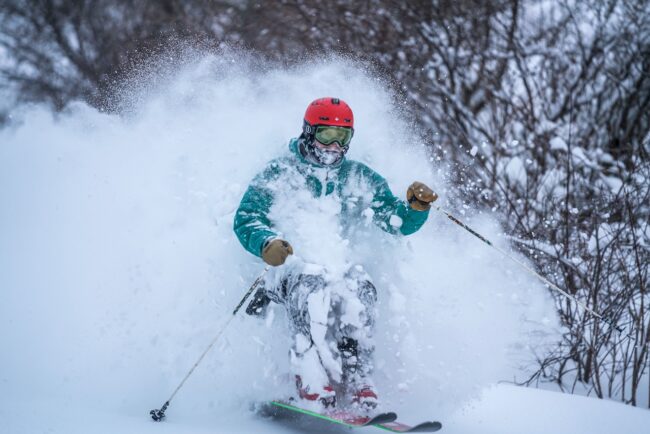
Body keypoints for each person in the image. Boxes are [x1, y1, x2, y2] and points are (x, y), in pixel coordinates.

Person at [233, 97, 437, 411]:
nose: (334, 146)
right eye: (326, 135)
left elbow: (395, 222)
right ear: (307, 132)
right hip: (284, 269)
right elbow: (246, 218)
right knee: (311, 284)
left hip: (335, 268)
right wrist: (266, 243)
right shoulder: (280, 173)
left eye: (343, 137)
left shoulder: (358, 176)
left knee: (360, 286)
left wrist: (416, 209)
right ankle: (309, 380)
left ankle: (357, 379)